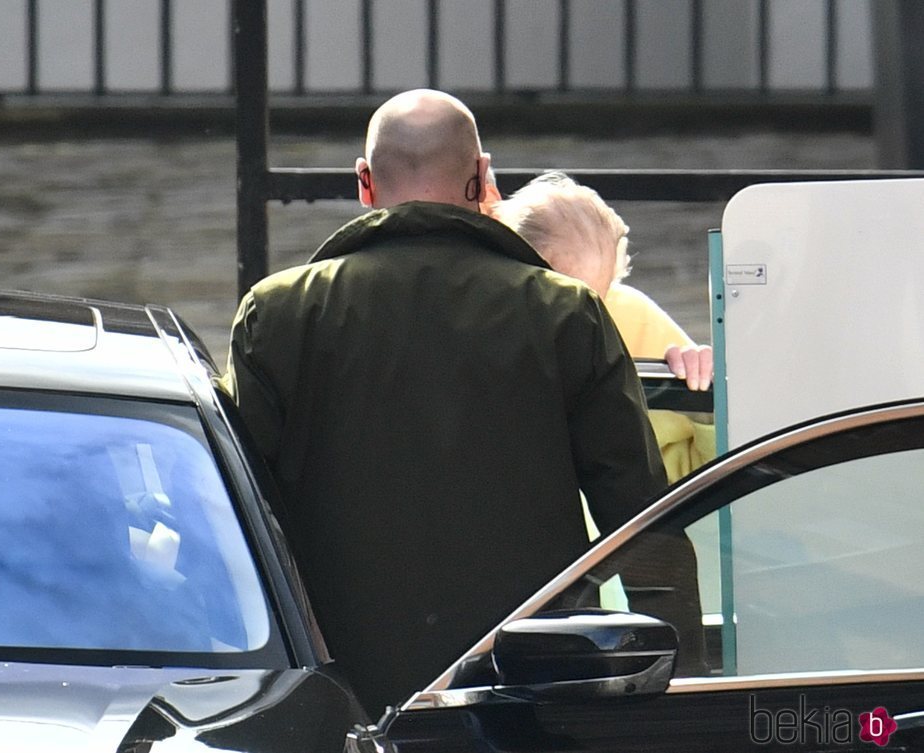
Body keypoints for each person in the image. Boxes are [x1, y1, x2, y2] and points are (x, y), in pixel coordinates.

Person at [219, 90, 667, 716]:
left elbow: (233, 517)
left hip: (340, 696)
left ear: (365, 183)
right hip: (527, 692)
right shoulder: (565, 315)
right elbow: (643, 520)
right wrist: (681, 679)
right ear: (482, 177)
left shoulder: (278, 313)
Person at [491, 172, 716, 482]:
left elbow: (703, 483)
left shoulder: (632, 315)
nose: (583, 322)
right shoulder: (475, 328)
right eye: (562, 301)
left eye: (597, 300)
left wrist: (706, 401)